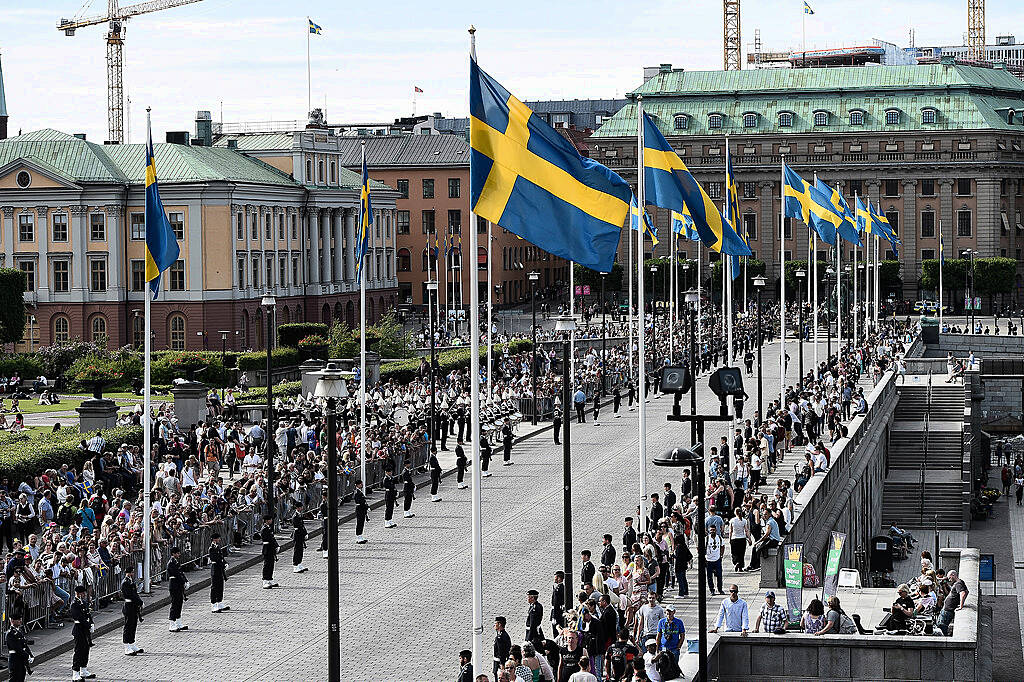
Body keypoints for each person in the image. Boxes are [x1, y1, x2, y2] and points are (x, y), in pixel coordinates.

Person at [70, 584, 95, 680]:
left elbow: (88, 615)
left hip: (85, 629)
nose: (84, 594)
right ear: (78, 593)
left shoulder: (83, 603)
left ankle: (83, 669)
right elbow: (79, 617)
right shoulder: (74, 604)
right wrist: (88, 625)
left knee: (86, 649)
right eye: (83, 593)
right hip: (79, 629)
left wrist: (91, 623)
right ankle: (75, 672)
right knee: (79, 650)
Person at [936, 569, 969, 636]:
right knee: (939, 623)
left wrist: (961, 606)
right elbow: (967, 591)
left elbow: (963, 593)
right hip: (947, 609)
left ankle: (943, 638)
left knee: (941, 626)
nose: (949, 579)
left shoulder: (958, 584)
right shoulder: (960, 581)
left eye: (949, 577)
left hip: (948, 610)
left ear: (953, 575)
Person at [120, 573, 144, 655]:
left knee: (133, 625)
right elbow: (131, 595)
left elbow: (135, 594)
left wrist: (140, 602)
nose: (133, 573)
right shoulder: (125, 583)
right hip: (129, 606)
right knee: (128, 626)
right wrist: (139, 602)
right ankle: (127, 646)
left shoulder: (130, 581)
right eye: (132, 572)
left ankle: (132, 643)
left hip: (133, 606)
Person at [6, 612, 33, 682]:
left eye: (20, 619)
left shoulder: (19, 631)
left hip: (21, 659)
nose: (20, 621)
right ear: (12, 621)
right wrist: (27, 656)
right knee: (15, 678)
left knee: (21, 677)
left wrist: (30, 655)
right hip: (15, 659)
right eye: (18, 620)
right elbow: (17, 648)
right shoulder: (10, 633)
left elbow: (24, 645)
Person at [167, 545, 189, 632]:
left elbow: (181, 573)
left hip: (178, 585)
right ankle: (172, 623)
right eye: (177, 553)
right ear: (173, 554)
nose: (179, 554)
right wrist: (183, 582)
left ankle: (178, 622)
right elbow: (176, 574)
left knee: (179, 603)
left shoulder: (176, 562)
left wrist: (186, 581)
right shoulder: (171, 563)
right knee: (174, 604)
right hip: (174, 585)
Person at [209, 532, 229, 612]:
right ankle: (213, 604)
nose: (219, 539)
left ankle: (220, 602)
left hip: (220, 568)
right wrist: (222, 563)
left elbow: (221, 557)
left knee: (220, 585)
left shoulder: (217, 547)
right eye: (218, 538)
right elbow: (215, 558)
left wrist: (225, 563)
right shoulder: (212, 548)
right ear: (214, 539)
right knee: (214, 586)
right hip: (215, 568)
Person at [260, 514, 279, 589]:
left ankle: (270, 578)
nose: (271, 520)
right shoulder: (264, 529)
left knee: (271, 564)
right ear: (267, 521)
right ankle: (265, 580)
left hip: (271, 548)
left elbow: (273, 538)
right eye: (270, 519)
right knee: (267, 564)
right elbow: (269, 539)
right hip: (267, 548)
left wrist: (276, 546)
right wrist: (275, 545)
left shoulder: (269, 528)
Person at [291, 500, 308, 573]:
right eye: (301, 507)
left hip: (300, 534)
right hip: (298, 534)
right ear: (298, 508)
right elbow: (299, 527)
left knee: (300, 550)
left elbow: (302, 526)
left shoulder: (299, 515)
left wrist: (305, 533)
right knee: (297, 550)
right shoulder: (295, 516)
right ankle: (295, 565)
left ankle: (299, 563)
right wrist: (304, 533)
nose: (302, 508)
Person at [493, 616, 512, 681]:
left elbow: (501, 651)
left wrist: (502, 664)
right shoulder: (504, 635)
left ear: (499, 624)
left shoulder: (500, 637)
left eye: (496, 623)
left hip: (499, 662)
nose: (494, 625)